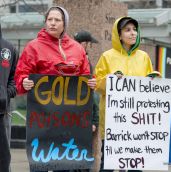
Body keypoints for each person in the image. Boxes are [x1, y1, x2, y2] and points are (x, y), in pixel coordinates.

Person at [14, 6, 96, 172]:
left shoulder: (77, 49)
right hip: (42, 121)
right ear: (45, 22)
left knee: (65, 166)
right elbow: (19, 78)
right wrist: (24, 82)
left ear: (65, 23)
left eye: (57, 20)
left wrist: (90, 83)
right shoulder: (33, 47)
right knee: (39, 166)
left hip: (68, 122)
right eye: (49, 19)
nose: (52, 23)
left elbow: (85, 77)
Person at [95, 16, 160, 172]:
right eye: (128, 30)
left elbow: (148, 88)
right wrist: (111, 79)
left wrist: (153, 79)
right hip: (113, 120)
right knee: (108, 164)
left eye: (135, 30)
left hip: (136, 122)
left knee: (135, 164)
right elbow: (97, 84)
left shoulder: (144, 57)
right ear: (119, 34)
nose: (133, 33)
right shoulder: (107, 56)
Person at [0, 24, 18, 172]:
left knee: (4, 159)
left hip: (2, 113)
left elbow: (15, 78)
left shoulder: (9, 49)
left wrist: (6, 93)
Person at [74, 30, 99, 132]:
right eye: (90, 44)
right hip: (82, 114)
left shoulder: (73, 58)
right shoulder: (83, 61)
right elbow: (91, 94)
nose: (90, 46)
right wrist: (94, 121)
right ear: (84, 44)